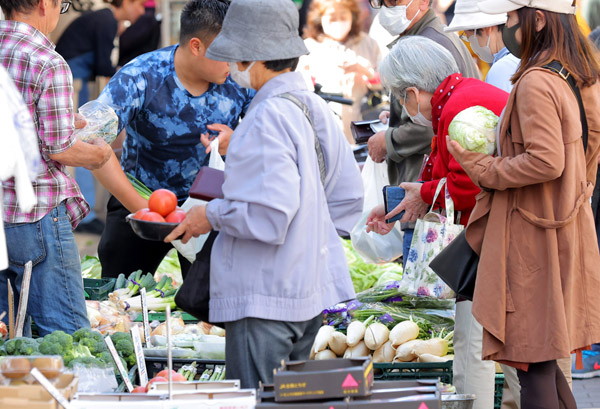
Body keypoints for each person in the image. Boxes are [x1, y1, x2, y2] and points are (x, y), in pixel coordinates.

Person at [165, 0, 364, 389]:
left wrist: (211, 215)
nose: (234, 66)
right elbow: (347, 199)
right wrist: (307, 241)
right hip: (309, 292)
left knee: (257, 399)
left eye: (237, 57)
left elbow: (270, 216)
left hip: (264, 298)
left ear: (252, 58)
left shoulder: (266, 115)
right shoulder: (314, 107)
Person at [446, 0, 600, 407]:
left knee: (534, 370)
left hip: (535, 241)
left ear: (538, 18)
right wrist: (574, 192)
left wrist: (481, 167)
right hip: (562, 228)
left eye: (510, 19)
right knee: (544, 367)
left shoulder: (536, 81)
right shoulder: (575, 73)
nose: (506, 28)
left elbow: (546, 160)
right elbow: (591, 141)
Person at [366, 35, 508, 409]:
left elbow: (467, 183)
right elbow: (449, 174)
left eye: (401, 97)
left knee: (473, 342)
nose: (404, 106)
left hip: (490, 243)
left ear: (412, 92)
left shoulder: (461, 106)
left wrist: (424, 194)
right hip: (489, 239)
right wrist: (409, 198)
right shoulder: (459, 98)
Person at [94, 0, 255, 279]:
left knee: (211, 310)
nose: (236, 62)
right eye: (228, 52)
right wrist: (146, 210)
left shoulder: (240, 78)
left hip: (210, 209)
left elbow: (271, 137)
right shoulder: (142, 75)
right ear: (196, 46)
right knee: (119, 300)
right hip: (141, 201)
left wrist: (239, 141)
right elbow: (92, 144)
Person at [0, 0, 113, 336]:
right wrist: (100, 156)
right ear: (43, 3)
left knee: (7, 337)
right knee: (65, 335)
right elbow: (60, 148)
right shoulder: (47, 61)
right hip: (35, 216)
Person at [365, 0, 479, 263]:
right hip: (428, 204)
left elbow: (460, 176)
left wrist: (390, 139)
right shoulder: (425, 39)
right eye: (380, 1)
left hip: (435, 217)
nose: (386, 6)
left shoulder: (433, 45)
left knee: (428, 299)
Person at [55, 0, 145, 234]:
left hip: (78, 82)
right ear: (126, 3)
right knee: (80, 143)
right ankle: (84, 217)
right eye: (139, 5)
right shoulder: (106, 20)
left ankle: (84, 213)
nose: (142, 11)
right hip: (72, 83)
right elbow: (104, 65)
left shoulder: (104, 19)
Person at [298, 0, 381, 144]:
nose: (338, 23)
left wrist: (366, 72)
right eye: (332, 18)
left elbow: (384, 85)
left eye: (343, 17)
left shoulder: (368, 44)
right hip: (323, 131)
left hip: (362, 128)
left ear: (352, 17)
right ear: (320, 18)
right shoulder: (308, 48)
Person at [444, 0, 519, 93]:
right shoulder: (523, 57)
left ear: (486, 29)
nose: (470, 44)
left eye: (468, 37)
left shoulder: (500, 70)